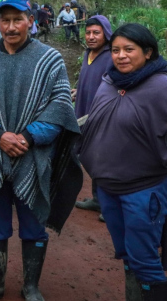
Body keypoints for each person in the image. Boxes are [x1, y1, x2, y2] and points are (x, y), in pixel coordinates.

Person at [0, 0, 81, 301]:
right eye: (5, 20)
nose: (11, 27)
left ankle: (31, 286)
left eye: (18, 20)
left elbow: (60, 106)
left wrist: (27, 136)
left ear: (30, 21)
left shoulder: (49, 60)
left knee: (33, 223)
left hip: (34, 156)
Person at [77, 23, 167, 300]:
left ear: (148, 52)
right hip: (108, 186)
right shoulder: (110, 81)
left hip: (144, 189)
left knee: (144, 257)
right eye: (116, 50)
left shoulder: (163, 86)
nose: (120, 56)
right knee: (125, 251)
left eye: (129, 50)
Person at [72, 16, 113, 220]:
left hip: (103, 117)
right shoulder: (88, 54)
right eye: (88, 33)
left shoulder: (111, 56)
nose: (91, 37)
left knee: (104, 160)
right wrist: (78, 91)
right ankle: (98, 199)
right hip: (84, 113)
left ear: (106, 33)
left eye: (96, 33)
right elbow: (90, 81)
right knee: (90, 157)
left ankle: (109, 204)